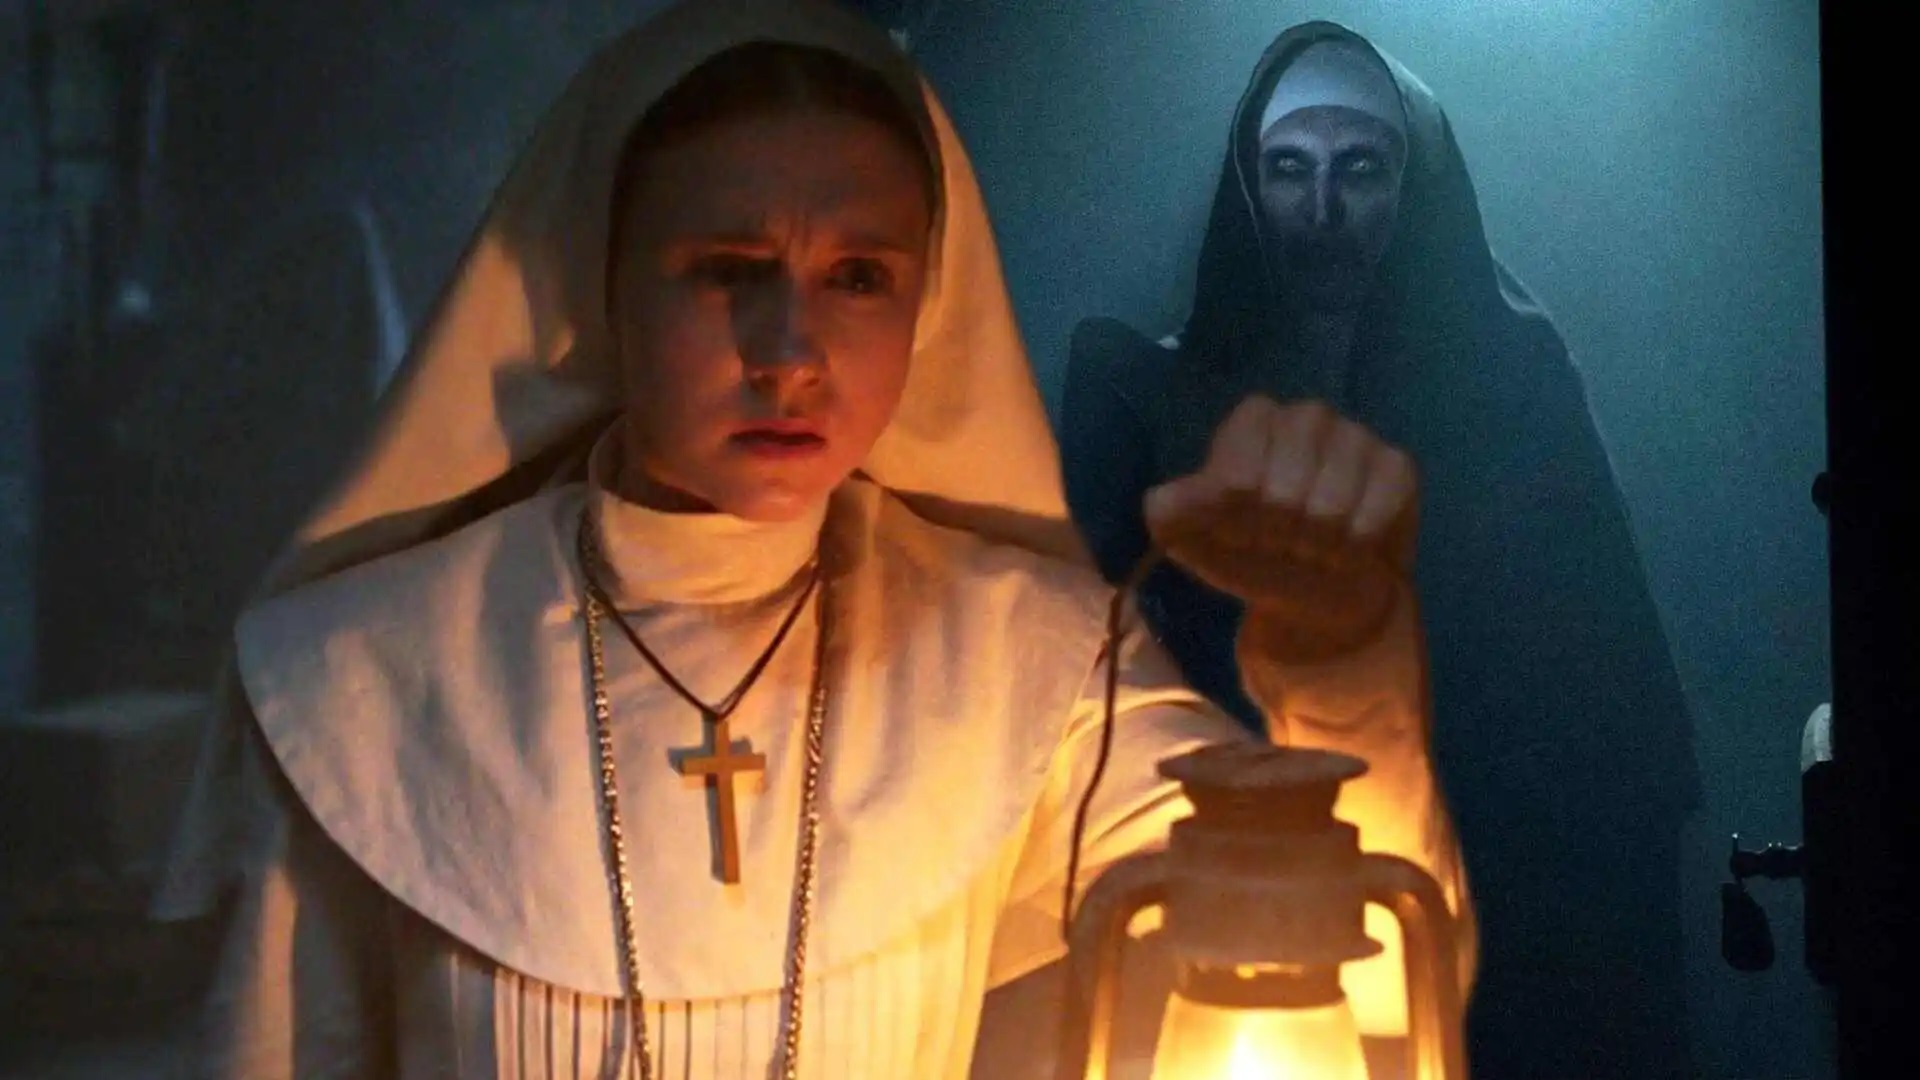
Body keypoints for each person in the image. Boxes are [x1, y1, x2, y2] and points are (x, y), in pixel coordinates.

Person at [151, 3, 1469, 1077]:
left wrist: (1339, 664)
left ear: (926, 307)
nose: (789, 352)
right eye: (727, 267)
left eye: (858, 277)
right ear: (606, 285)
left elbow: (1368, 982)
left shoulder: (1032, 664)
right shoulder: (367, 681)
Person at [1059, 21, 1700, 1078]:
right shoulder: (1148, 398)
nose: (1321, 211)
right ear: (1248, 183)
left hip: (1503, 882)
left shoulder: (1513, 385)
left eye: (1359, 170)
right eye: (1288, 169)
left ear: (1413, 187)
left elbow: (1600, 686)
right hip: (1241, 879)